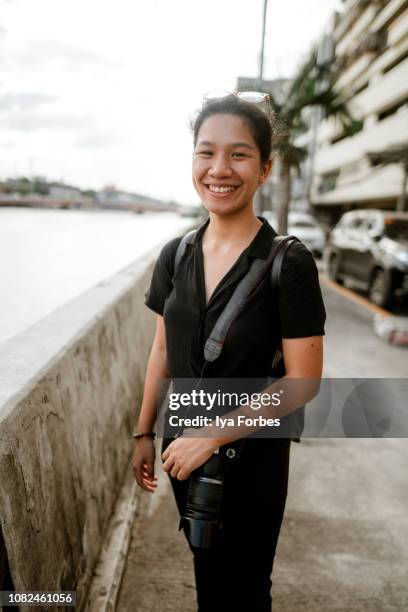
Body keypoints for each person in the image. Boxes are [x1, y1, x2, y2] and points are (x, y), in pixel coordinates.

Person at [132, 93, 326, 612]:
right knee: (209, 579)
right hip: (184, 452)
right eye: (206, 152)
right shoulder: (175, 254)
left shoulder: (290, 263)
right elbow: (161, 350)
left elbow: (303, 381)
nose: (220, 169)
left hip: (253, 458)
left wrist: (208, 437)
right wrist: (144, 432)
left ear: (264, 169)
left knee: (243, 588)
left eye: (239, 155)